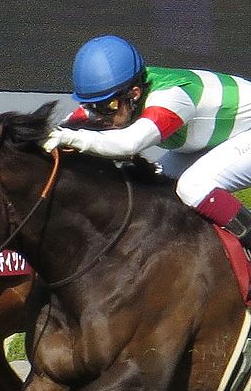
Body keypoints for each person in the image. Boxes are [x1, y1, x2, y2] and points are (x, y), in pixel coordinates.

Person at [44, 34, 251, 250]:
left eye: (109, 106)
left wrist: (69, 137)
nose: (101, 116)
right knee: (151, 185)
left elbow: (129, 144)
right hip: (217, 139)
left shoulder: (172, 98)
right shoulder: (125, 92)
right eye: (95, 106)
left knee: (193, 187)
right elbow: (72, 121)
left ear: (134, 94)